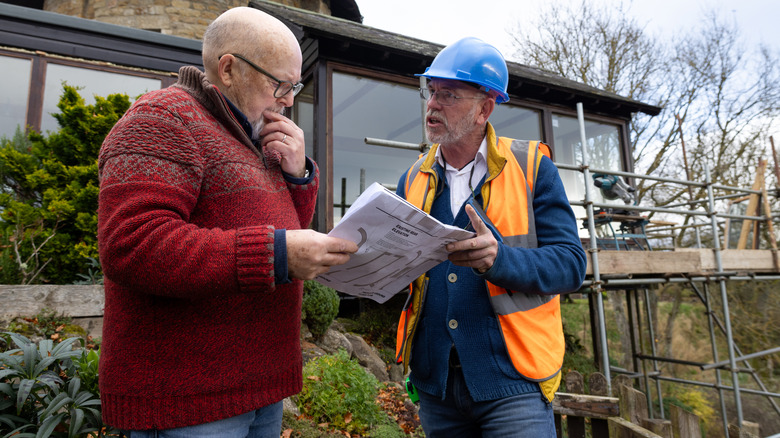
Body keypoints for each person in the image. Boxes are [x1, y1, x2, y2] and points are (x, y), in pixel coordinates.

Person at [97, 7, 357, 437]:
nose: (289, 99)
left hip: (261, 387)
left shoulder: (256, 133)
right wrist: (276, 254)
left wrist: (299, 176)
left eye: (296, 85)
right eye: (281, 84)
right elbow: (133, 245)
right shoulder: (162, 119)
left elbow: (286, 227)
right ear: (230, 69)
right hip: (188, 400)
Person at [394, 37, 588, 437]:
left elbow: (571, 264)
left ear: (484, 108)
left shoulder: (533, 167)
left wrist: (499, 260)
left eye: (448, 94)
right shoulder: (412, 178)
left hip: (513, 385)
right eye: (430, 92)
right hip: (437, 388)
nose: (432, 104)